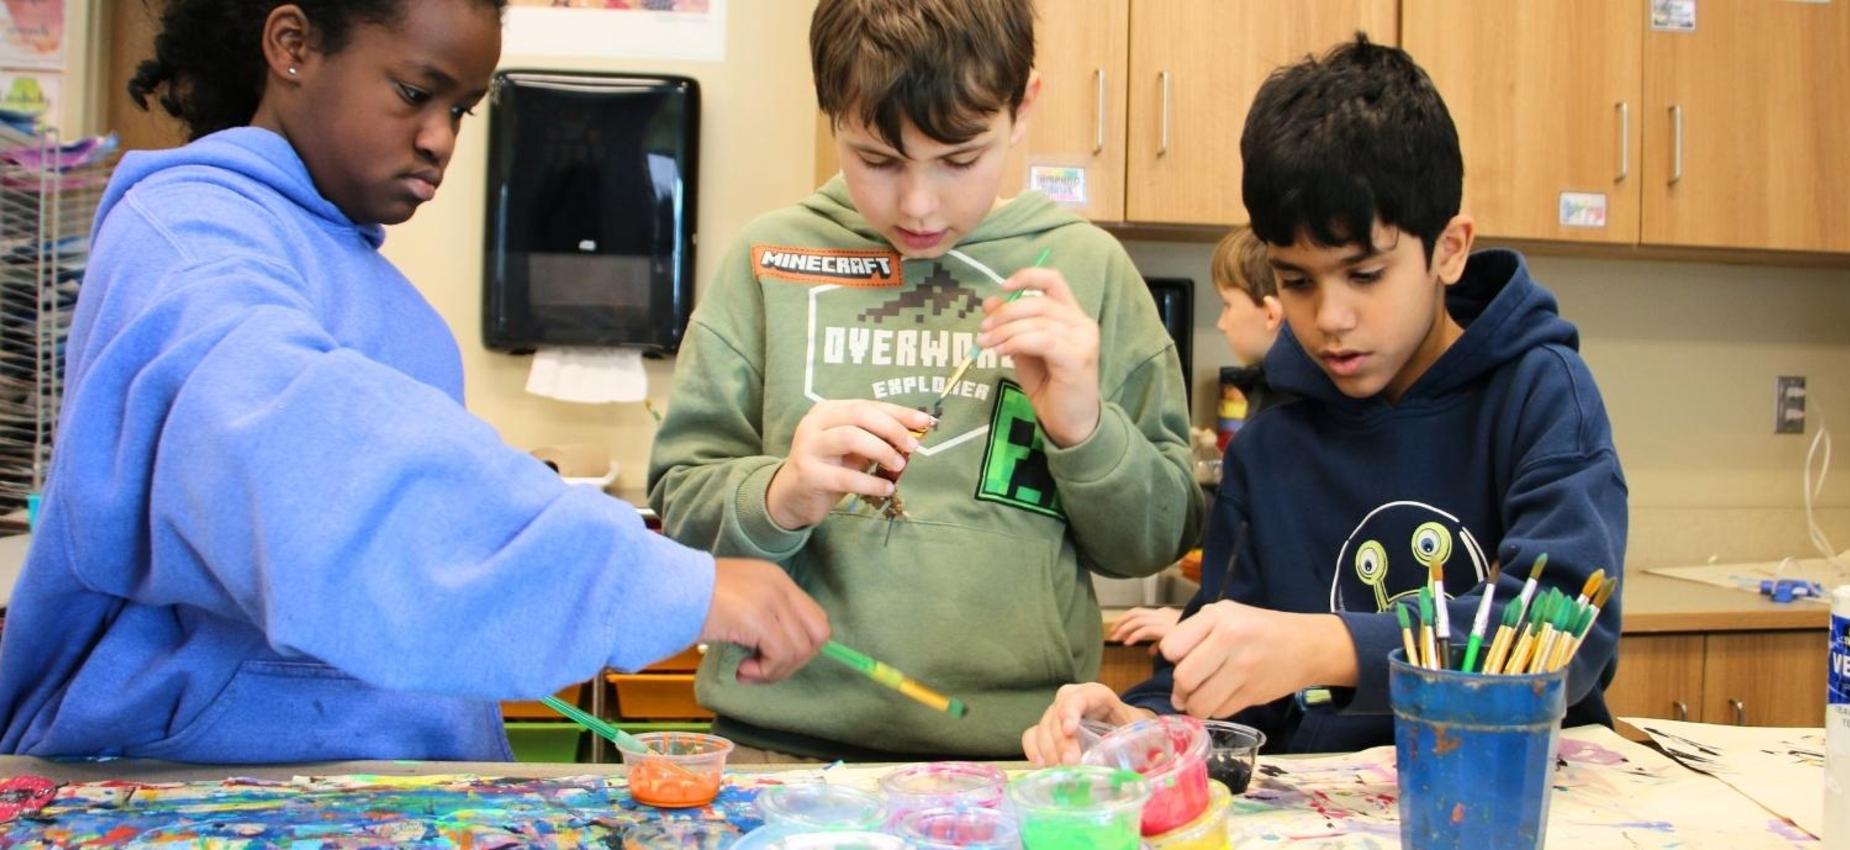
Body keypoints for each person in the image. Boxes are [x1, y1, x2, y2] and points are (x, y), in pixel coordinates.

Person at [0, 0, 828, 764]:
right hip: (197, 791)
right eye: (413, 92)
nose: (441, 140)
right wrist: (657, 578)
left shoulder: (370, 285)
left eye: (461, 110)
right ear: (293, 47)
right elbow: (312, 462)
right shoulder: (186, 240)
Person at [1024, 34, 1626, 762]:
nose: (1329, 319)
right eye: (1297, 282)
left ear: (1450, 248)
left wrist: (1329, 645)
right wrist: (1138, 725)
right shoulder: (1274, 438)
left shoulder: (1539, 394)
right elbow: (1225, 677)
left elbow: (1562, 639)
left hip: (1513, 800)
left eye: (1365, 275)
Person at [648, 0, 1202, 760]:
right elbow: (679, 510)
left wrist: (1085, 429)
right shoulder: (767, 257)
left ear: (1023, 107)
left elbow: (1156, 540)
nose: (917, 204)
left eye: (960, 158)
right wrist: (783, 496)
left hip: (1024, 758)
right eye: (877, 159)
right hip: (779, 753)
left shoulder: (1088, 269)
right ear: (832, 114)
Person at [1108, 226, 1285, 649]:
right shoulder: (1269, 405)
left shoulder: (1279, 424)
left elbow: (1262, 555)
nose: (1221, 322)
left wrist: (1200, 623)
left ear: (1271, 313)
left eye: (1227, 305)